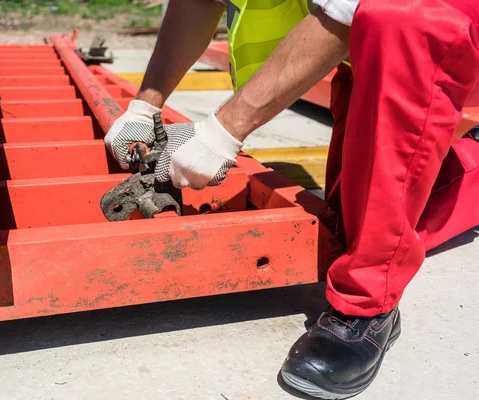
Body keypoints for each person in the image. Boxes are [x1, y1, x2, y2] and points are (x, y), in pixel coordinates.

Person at [105, 0, 479, 398]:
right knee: (357, 219)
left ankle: (369, 305)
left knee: (399, 18)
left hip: (431, 22)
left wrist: (222, 133)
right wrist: (146, 105)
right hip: (367, 41)